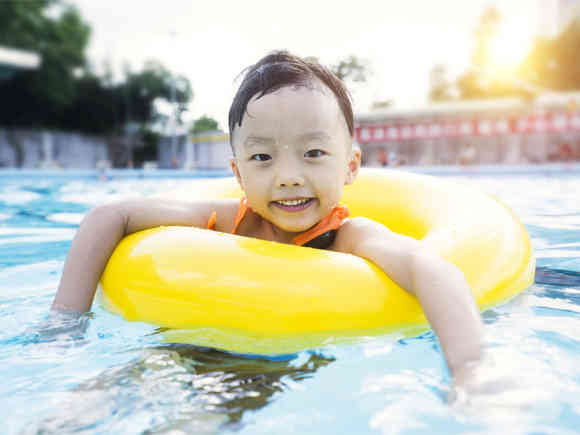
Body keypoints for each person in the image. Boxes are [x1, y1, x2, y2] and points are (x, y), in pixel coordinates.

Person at [52, 51, 483, 383]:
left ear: (350, 166)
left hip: (285, 366)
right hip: (193, 343)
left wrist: (470, 373)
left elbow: (431, 268)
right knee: (106, 391)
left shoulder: (349, 237)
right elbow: (111, 215)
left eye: (313, 153)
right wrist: (64, 326)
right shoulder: (225, 220)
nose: (289, 178)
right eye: (262, 157)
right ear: (238, 173)